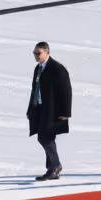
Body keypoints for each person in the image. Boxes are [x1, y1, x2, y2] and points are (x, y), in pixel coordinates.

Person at [26, 41, 72, 181]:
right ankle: (52, 169)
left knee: (44, 138)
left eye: (38, 53)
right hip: (39, 108)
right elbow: (35, 89)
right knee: (47, 138)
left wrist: (65, 112)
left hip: (53, 110)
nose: (36, 55)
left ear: (47, 52)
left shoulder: (57, 68)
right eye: (34, 53)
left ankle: (55, 166)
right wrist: (30, 108)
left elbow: (66, 90)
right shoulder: (38, 68)